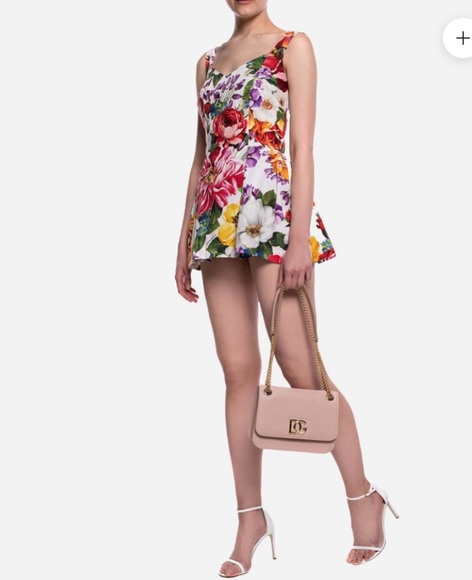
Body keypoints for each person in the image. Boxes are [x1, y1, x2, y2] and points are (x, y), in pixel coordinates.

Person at [174, 1, 398, 576]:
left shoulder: (293, 46)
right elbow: (202, 157)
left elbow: (302, 147)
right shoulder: (206, 62)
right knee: (238, 373)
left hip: (274, 220)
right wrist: (183, 240)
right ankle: (250, 517)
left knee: (302, 370)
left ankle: (363, 497)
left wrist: (299, 239)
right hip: (217, 223)